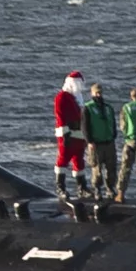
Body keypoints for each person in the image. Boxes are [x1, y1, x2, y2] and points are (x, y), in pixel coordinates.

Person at [51, 71, 88, 201]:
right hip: (68, 133)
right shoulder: (62, 97)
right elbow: (60, 115)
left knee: (79, 159)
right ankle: (60, 187)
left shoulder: (77, 98)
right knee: (63, 159)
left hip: (79, 133)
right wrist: (65, 132)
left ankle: (82, 187)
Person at [82, 82, 119, 198]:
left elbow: (113, 122)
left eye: (100, 93)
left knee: (111, 167)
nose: (99, 95)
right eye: (96, 93)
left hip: (109, 141)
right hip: (96, 143)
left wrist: (113, 135)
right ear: (92, 93)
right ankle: (97, 189)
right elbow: (84, 126)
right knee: (97, 168)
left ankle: (110, 188)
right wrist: (89, 141)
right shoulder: (88, 108)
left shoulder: (108, 108)